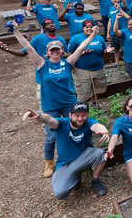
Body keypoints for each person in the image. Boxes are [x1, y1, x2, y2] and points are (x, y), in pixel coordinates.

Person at [12, 21, 98, 178]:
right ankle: (49, 162)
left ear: (62, 50)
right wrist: (16, 32)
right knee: (51, 135)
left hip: (69, 104)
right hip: (51, 105)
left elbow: (80, 48)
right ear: (47, 52)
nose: (55, 52)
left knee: (75, 129)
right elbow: (29, 48)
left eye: (57, 49)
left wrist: (93, 34)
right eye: (52, 50)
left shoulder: (68, 63)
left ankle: (79, 155)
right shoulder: (41, 64)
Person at [21, 102, 110, 199]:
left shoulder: (88, 122)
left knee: (101, 153)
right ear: (70, 115)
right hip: (66, 164)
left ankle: (95, 180)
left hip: (84, 158)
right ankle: (75, 178)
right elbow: (49, 120)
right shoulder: (62, 123)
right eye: (77, 115)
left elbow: (96, 126)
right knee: (60, 193)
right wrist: (39, 116)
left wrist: (103, 129)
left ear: (87, 115)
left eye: (83, 115)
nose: (80, 118)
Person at [67, 20, 108, 102]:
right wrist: (74, 67)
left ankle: (94, 102)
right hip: (82, 69)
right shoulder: (76, 38)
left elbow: (103, 50)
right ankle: (83, 108)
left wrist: (107, 51)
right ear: (83, 28)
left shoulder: (99, 38)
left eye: (91, 27)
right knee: (83, 92)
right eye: (87, 27)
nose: (89, 29)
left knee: (98, 88)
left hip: (98, 68)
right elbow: (70, 53)